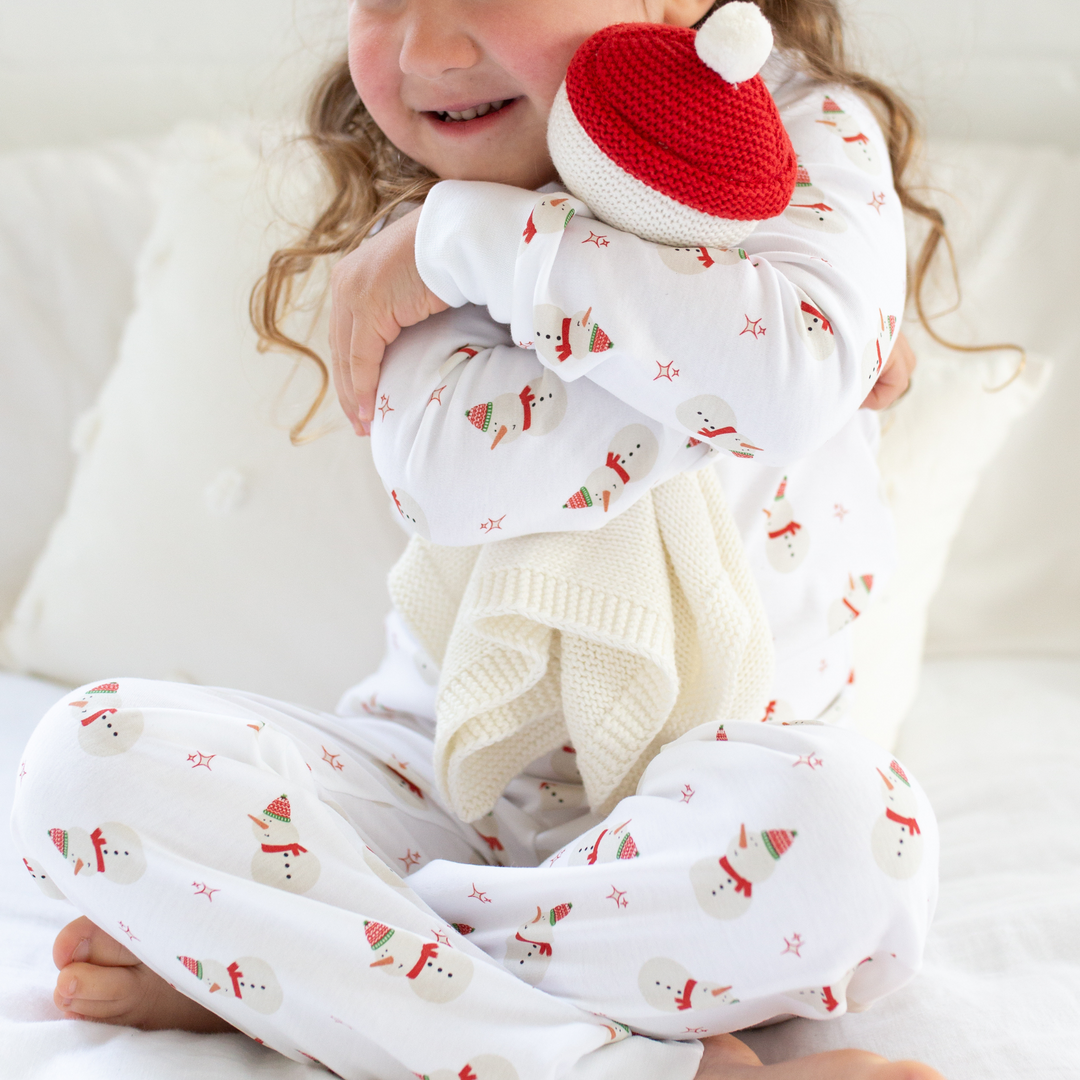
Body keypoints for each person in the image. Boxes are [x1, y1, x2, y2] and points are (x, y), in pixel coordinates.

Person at [12, 2, 944, 1079]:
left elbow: (782, 381)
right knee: (84, 764)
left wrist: (478, 246)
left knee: (860, 840)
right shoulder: (409, 212)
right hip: (447, 787)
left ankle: (317, 966)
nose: (426, 52)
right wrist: (738, 366)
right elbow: (471, 474)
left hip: (724, 803)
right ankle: (638, 1061)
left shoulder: (807, 134)